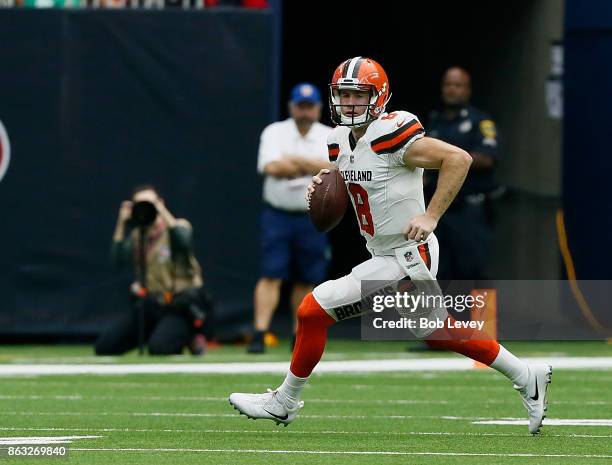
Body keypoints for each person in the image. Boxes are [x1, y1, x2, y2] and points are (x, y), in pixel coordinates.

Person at [229, 57, 551, 435]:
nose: (349, 103)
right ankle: (527, 374)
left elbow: (458, 159)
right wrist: (326, 186)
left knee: (312, 309)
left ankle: (284, 401)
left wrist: (431, 216)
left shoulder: (392, 133)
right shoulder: (336, 141)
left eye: (357, 95)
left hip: (406, 257)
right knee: (437, 331)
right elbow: (361, 189)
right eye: (343, 95)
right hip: (386, 254)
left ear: (378, 97)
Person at [247, 83, 333, 353]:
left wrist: (294, 161)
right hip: (278, 214)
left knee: (307, 278)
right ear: (291, 107)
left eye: (310, 107)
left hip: (312, 217)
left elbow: (336, 169)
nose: (305, 112)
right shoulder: (275, 132)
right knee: (271, 273)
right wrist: (313, 163)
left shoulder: (330, 135)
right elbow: (271, 167)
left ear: (318, 108)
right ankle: (260, 332)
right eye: (301, 106)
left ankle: (299, 335)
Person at [95, 185, 212, 356]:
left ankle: (190, 336)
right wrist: (122, 222)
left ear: (160, 203)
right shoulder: (138, 235)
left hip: (179, 305)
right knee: (104, 347)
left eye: (150, 203)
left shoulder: (177, 226)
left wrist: (160, 210)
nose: (146, 207)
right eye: (140, 204)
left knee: (159, 349)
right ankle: (157, 333)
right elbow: (118, 258)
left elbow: (183, 242)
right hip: (151, 305)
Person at [425, 66, 500, 280]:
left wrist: (448, 160)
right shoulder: (434, 122)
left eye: (458, 85)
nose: (452, 90)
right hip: (438, 211)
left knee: (475, 271)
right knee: (439, 273)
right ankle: (446, 315)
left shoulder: (480, 122)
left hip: (469, 210)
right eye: (448, 85)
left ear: (467, 90)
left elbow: (487, 158)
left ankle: (485, 316)